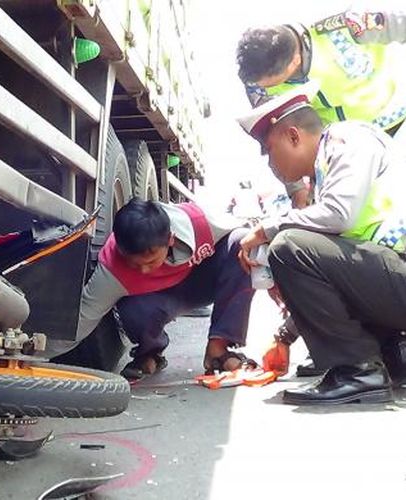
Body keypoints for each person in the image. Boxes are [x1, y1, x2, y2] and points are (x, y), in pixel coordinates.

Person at [236, 82, 406, 405]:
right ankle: (391, 356)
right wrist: (285, 333)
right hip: (394, 276)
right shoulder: (326, 166)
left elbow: (339, 215)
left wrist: (267, 229)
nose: (271, 166)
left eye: (269, 151)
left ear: (293, 136)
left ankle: (357, 370)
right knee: (296, 247)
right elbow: (340, 268)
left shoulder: (347, 140)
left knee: (288, 246)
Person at [236, 9, 406, 210]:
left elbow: (400, 24)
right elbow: (277, 137)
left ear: (295, 62)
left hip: (396, 119)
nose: (265, 89)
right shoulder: (257, 84)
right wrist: (296, 187)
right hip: (345, 150)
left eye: (272, 84)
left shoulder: (341, 27)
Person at [77, 198, 254, 380]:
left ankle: (218, 350)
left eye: (151, 261)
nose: (144, 270)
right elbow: (83, 317)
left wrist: (275, 282)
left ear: (170, 239)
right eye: (135, 264)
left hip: (199, 283)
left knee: (242, 243)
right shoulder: (112, 268)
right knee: (133, 311)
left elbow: (253, 236)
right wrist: (47, 354)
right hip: (158, 298)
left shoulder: (199, 222)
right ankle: (150, 352)